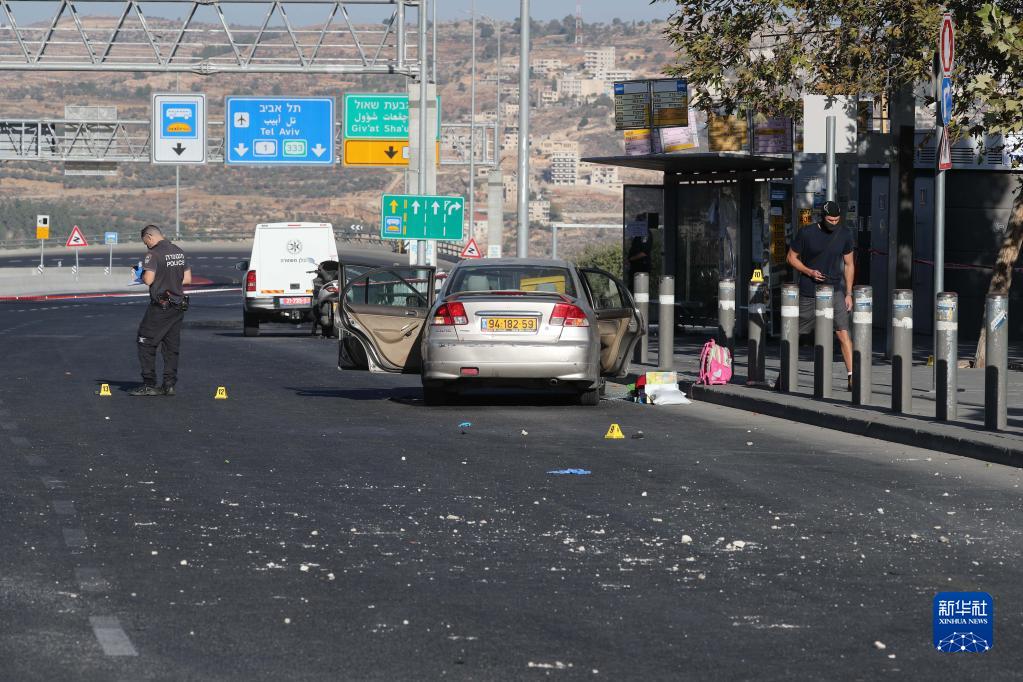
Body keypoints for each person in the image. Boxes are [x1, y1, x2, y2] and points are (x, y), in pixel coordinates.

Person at [786, 200, 855, 390]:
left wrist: (849, 293)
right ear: (822, 217)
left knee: (843, 332)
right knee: (796, 333)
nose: (834, 223)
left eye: (837, 219)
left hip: (835, 289)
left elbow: (849, 264)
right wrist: (809, 272)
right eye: (830, 220)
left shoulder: (845, 234)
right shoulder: (807, 233)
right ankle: (785, 372)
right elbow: (791, 258)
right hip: (810, 290)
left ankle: (852, 377)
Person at [129, 225, 191, 396]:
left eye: (145, 242)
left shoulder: (153, 254)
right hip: (178, 306)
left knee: (145, 341)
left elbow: (149, 280)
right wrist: (170, 280)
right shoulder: (179, 251)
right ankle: (169, 384)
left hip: (160, 306)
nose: (146, 245)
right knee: (171, 346)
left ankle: (149, 383)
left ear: (149, 237)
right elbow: (187, 279)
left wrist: (140, 274)